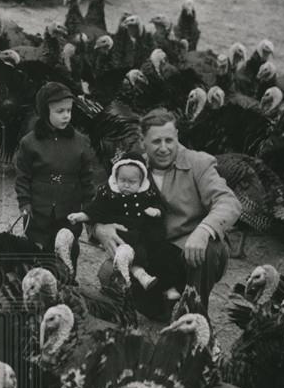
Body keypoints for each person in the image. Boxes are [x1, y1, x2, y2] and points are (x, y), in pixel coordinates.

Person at [90, 108, 241, 319]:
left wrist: (204, 230)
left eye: (169, 141)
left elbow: (229, 202)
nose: (164, 148)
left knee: (209, 248)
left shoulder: (199, 163)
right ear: (142, 141)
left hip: (188, 253)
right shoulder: (132, 167)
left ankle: (195, 313)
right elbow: (101, 203)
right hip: (150, 253)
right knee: (108, 273)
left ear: (177, 137)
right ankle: (161, 306)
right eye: (156, 142)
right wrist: (99, 228)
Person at [71, 151, 183, 298]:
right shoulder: (109, 193)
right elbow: (96, 208)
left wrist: (156, 211)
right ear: (115, 177)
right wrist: (82, 215)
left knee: (162, 254)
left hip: (144, 233)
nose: (126, 185)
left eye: (132, 182)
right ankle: (138, 275)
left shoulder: (148, 193)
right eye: (122, 180)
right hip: (123, 234)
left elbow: (160, 205)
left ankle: (168, 287)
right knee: (131, 251)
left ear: (141, 181)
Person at [14, 82, 101, 269]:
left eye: (69, 110)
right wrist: (25, 202)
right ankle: (42, 283)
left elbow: (87, 177)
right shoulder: (30, 143)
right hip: (39, 208)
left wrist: (88, 208)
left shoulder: (80, 142)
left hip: (68, 207)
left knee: (68, 244)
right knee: (39, 248)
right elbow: (22, 175)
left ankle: (68, 280)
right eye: (59, 111)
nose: (66, 116)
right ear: (45, 113)